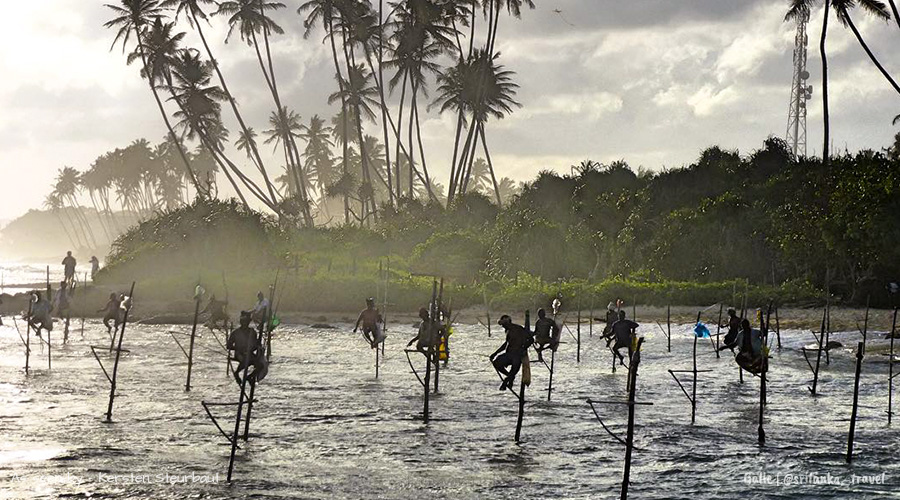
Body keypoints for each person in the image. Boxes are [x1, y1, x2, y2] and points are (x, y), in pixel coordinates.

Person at [490, 315, 532, 390]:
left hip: (518, 355)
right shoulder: (507, 330)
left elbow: (531, 339)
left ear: (507, 323)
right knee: (496, 363)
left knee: (514, 368)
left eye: (503, 325)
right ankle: (510, 377)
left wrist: (523, 348)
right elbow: (506, 344)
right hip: (509, 354)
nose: (503, 326)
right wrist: (495, 353)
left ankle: (507, 380)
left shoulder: (518, 329)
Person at [227, 311, 268, 384]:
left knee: (260, 365)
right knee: (246, 360)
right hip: (239, 354)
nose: (245, 323)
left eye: (246, 322)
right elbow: (228, 346)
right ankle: (237, 373)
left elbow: (255, 345)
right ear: (241, 322)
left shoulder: (252, 332)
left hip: (249, 353)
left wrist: (257, 345)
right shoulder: (235, 333)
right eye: (243, 322)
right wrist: (238, 348)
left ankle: (249, 377)